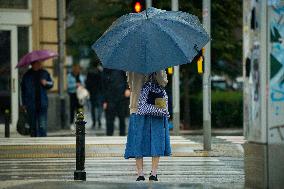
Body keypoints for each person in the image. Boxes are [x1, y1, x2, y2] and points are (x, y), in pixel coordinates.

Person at [124, 70, 171, 181]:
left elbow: (130, 84)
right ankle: (153, 173)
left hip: (137, 105)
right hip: (156, 105)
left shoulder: (131, 64)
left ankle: (140, 174)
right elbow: (163, 82)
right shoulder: (158, 62)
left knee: (138, 139)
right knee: (156, 138)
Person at [21, 61, 53, 137]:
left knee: (42, 126)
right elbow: (23, 91)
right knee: (33, 127)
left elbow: (51, 84)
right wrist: (24, 103)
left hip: (42, 104)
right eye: (37, 63)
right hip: (31, 104)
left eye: (39, 63)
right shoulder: (27, 75)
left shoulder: (44, 73)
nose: (39, 64)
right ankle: (34, 142)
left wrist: (46, 83)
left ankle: (43, 142)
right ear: (32, 64)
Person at [102, 68, 130, 136]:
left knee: (122, 117)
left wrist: (127, 88)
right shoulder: (106, 70)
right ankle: (109, 135)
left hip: (121, 96)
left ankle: (122, 134)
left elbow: (127, 78)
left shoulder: (121, 67)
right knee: (110, 118)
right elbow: (103, 86)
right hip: (110, 98)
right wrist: (104, 101)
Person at [85, 62, 104, 129]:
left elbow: (87, 83)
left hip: (92, 92)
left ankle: (94, 122)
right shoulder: (100, 72)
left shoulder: (89, 72)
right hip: (99, 92)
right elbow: (102, 82)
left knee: (93, 108)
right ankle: (99, 121)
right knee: (99, 107)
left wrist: (88, 90)